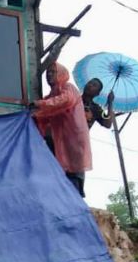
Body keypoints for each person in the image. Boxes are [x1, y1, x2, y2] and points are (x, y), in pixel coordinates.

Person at [31, 63, 92, 196]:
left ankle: (75, 201)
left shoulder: (68, 88)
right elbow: (46, 113)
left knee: (74, 173)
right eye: (48, 73)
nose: (49, 75)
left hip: (74, 139)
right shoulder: (52, 95)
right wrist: (33, 115)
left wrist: (39, 104)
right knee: (62, 173)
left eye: (53, 72)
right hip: (62, 140)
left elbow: (64, 100)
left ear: (61, 73)